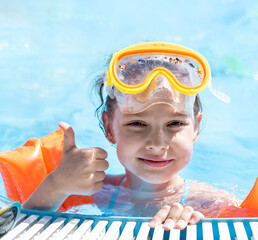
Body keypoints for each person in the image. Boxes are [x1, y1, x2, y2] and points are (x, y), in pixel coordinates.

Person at [22, 42, 236, 230]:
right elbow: (20, 231)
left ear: (195, 128)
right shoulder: (94, 191)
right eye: (137, 123)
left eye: (175, 123)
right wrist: (56, 184)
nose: (158, 144)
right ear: (109, 128)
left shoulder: (208, 203)